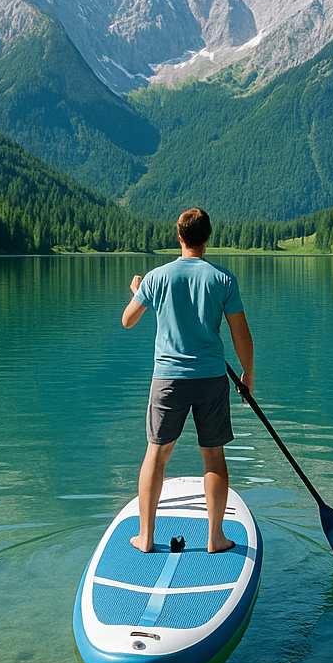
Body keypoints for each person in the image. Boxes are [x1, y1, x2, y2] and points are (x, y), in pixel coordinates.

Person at [121, 207, 254, 554]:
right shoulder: (223, 279)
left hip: (167, 379)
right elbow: (241, 335)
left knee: (156, 456)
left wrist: (138, 291)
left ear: (179, 237)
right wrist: (247, 374)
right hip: (211, 378)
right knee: (213, 457)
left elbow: (127, 321)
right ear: (208, 238)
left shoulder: (155, 278)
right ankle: (216, 538)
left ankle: (146, 538)